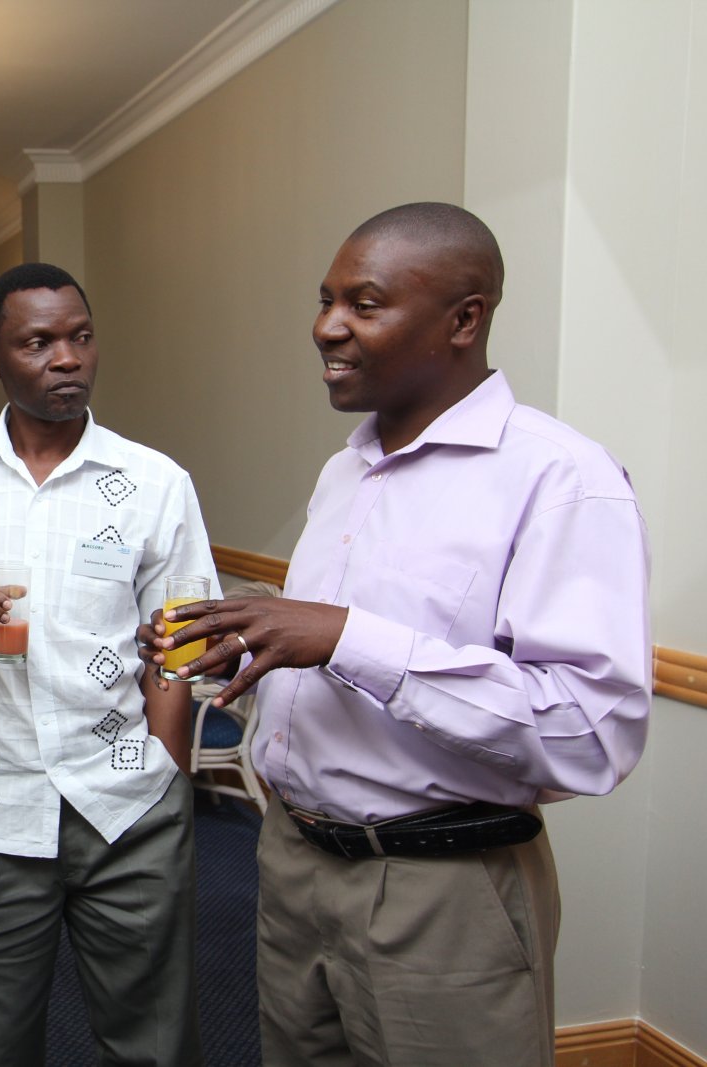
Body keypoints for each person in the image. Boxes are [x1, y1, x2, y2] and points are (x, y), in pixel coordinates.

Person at [144, 203, 651, 1066]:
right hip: (295, 859)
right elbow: (329, 656)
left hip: (442, 887)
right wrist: (261, 651)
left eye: (364, 304)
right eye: (325, 299)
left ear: (465, 318)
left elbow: (590, 731)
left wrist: (348, 637)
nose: (325, 326)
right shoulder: (346, 470)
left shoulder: (560, 478)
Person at [0, 262, 216, 1066]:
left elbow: (178, 644)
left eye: (79, 336)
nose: (67, 358)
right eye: (38, 342)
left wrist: (166, 769)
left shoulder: (154, 483)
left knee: (153, 1041)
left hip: (127, 803)